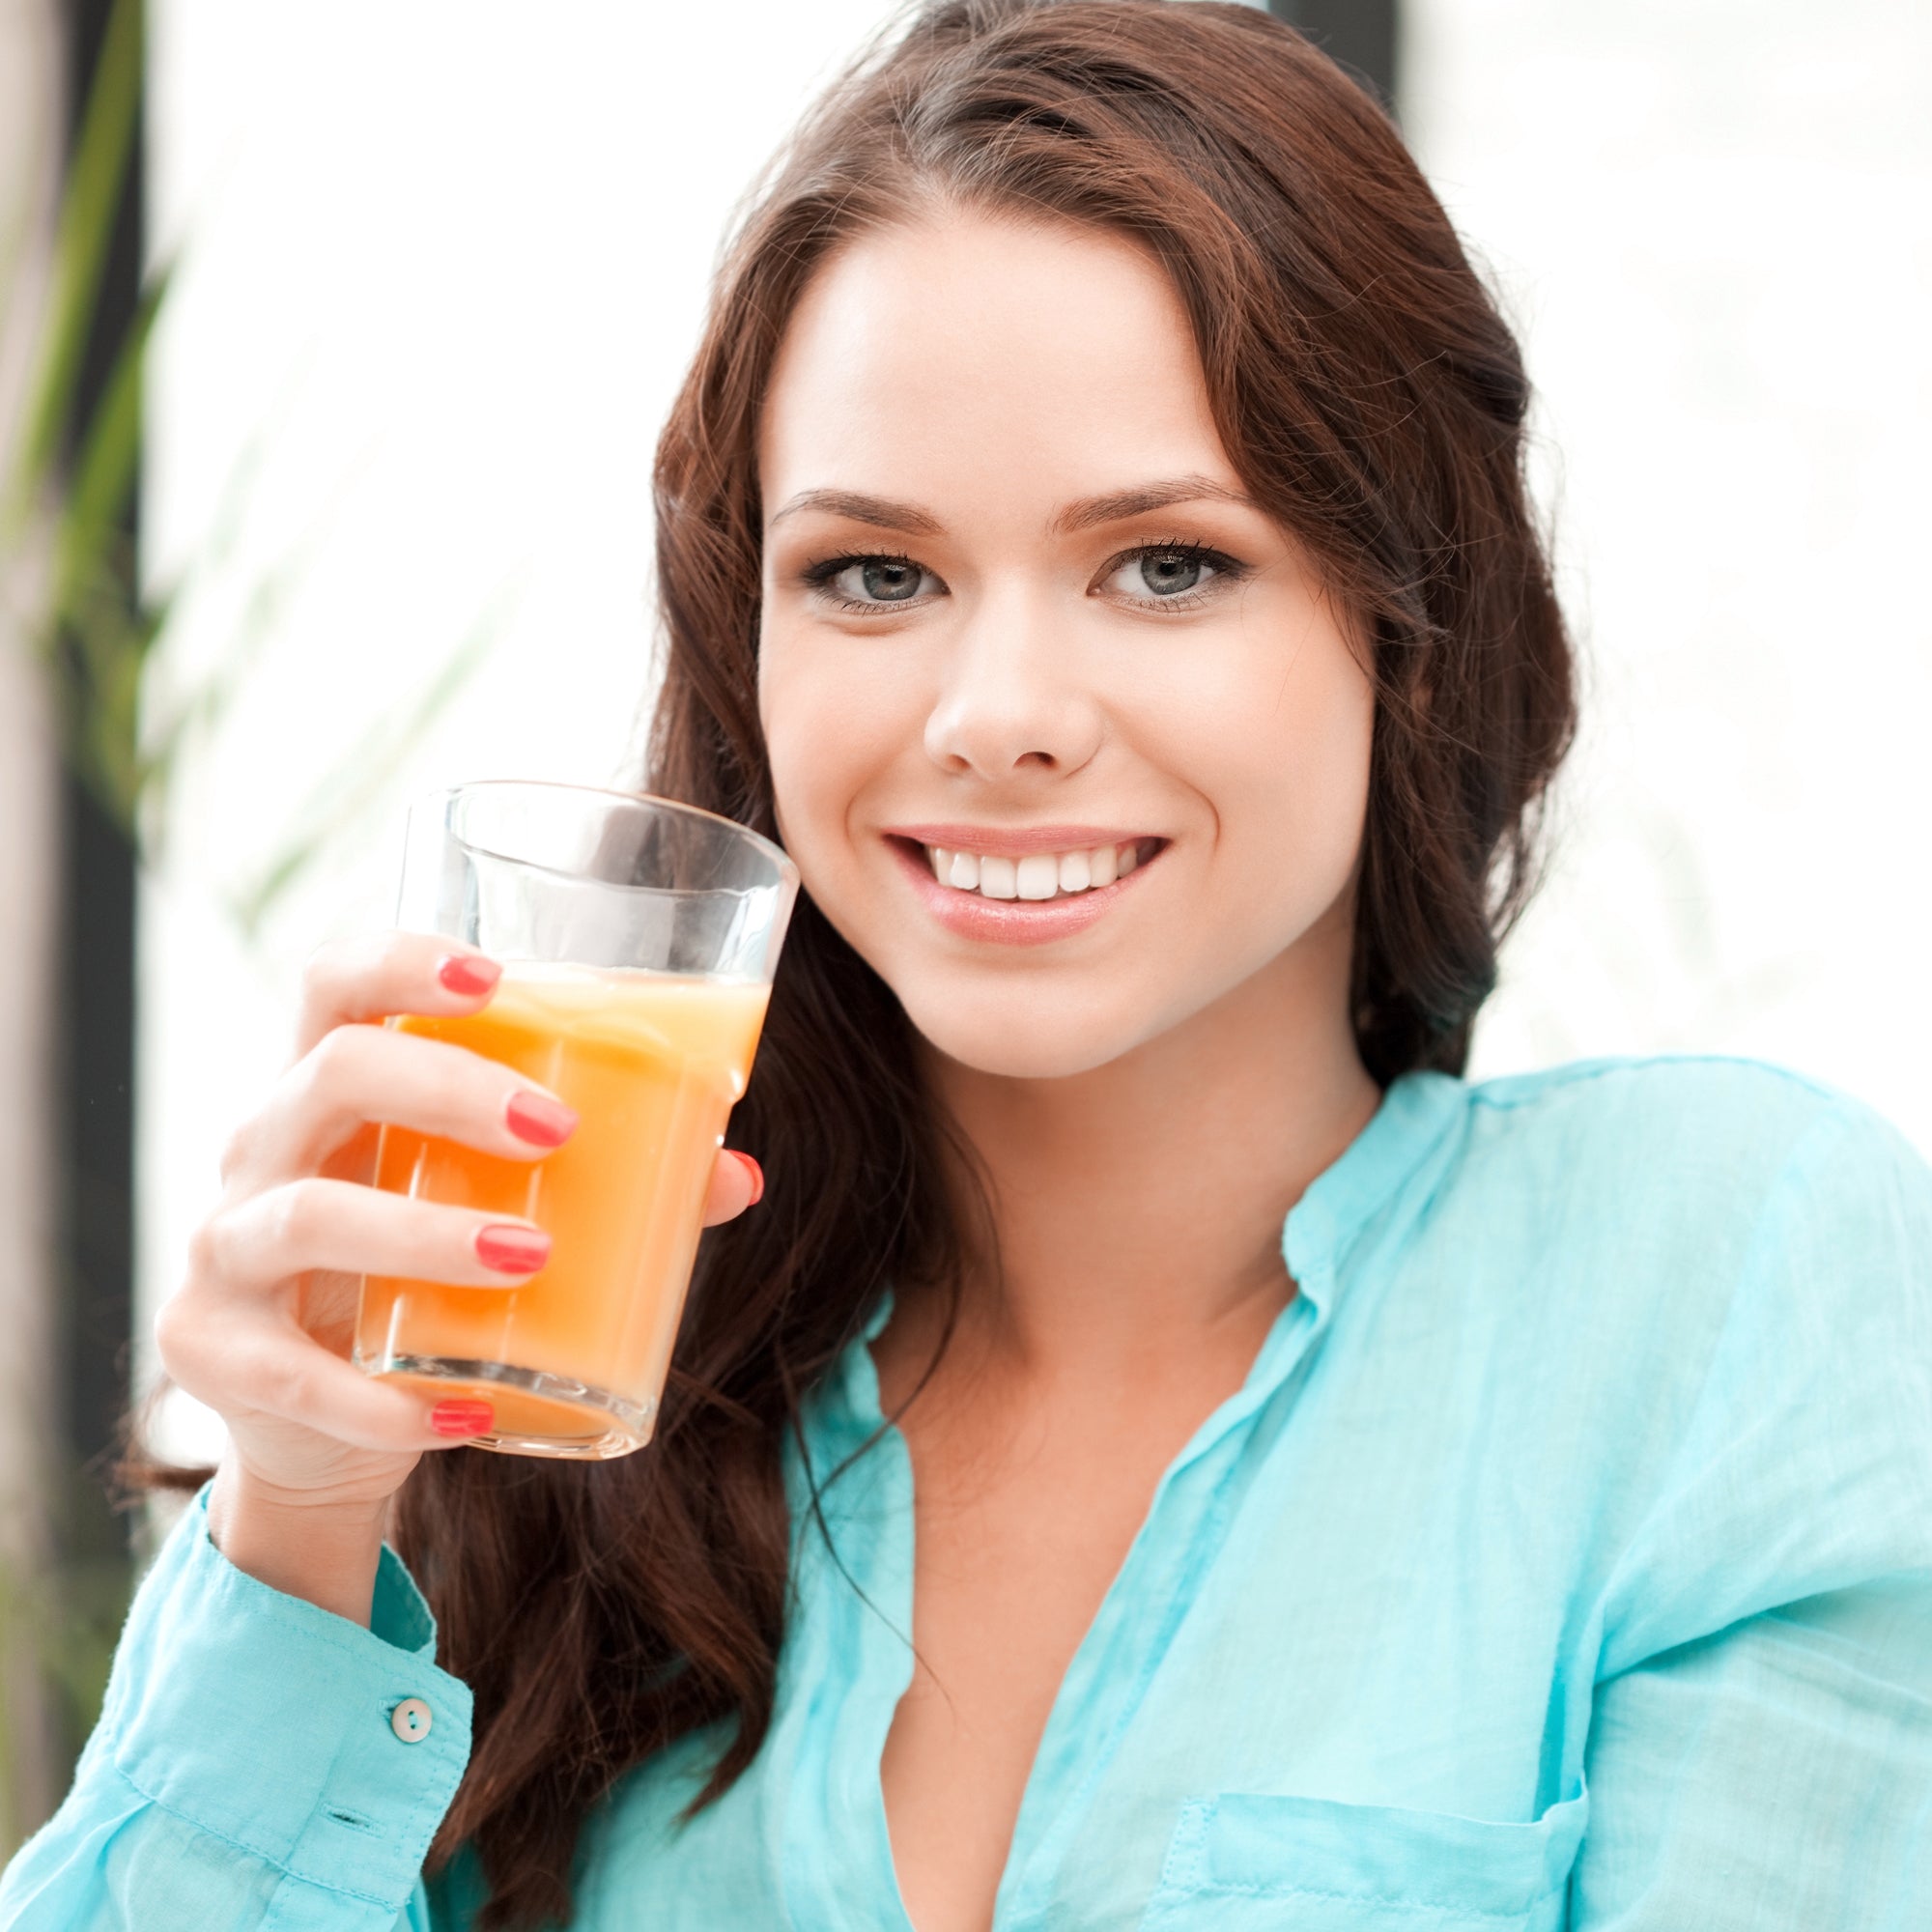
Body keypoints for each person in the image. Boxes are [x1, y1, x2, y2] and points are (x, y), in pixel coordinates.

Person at [6, 3, 1929, 1928]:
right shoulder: (542, 1412)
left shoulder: (1720, 1289)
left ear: (1399, 620)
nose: (995, 713)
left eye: (1168, 562)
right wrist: (307, 1518)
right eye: (875, 574)